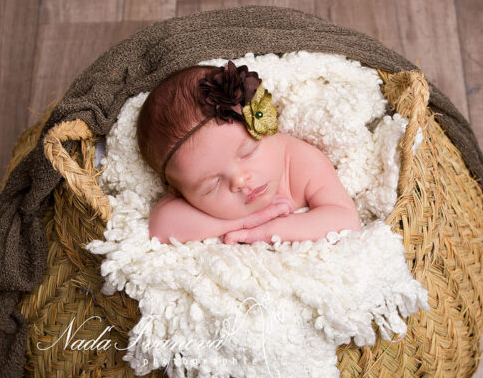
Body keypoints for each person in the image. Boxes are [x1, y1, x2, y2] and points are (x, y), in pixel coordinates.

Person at [137, 60, 362, 244]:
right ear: (180, 192)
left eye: (248, 152)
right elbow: (161, 227)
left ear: (267, 126)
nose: (239, 180)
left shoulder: (302, 163)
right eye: (212, 186)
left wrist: (263, 231)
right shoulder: (190, 187)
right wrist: (244, 222)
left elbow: (345, 219)